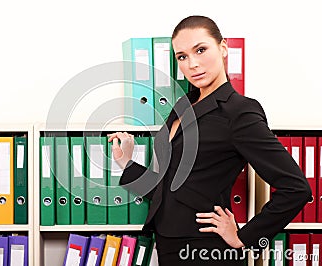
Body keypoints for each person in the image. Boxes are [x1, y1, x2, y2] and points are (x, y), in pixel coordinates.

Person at [108, 15, 312, 265]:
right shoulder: (184, 105)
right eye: (182, 56)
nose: (192, 64)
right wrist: (125, 163)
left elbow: (297, 189)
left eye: (201, 50)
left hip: (206, 250)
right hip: (169, 244)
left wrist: (244, 238)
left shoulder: (239, 112)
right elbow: (170, 189)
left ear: (223, 48)